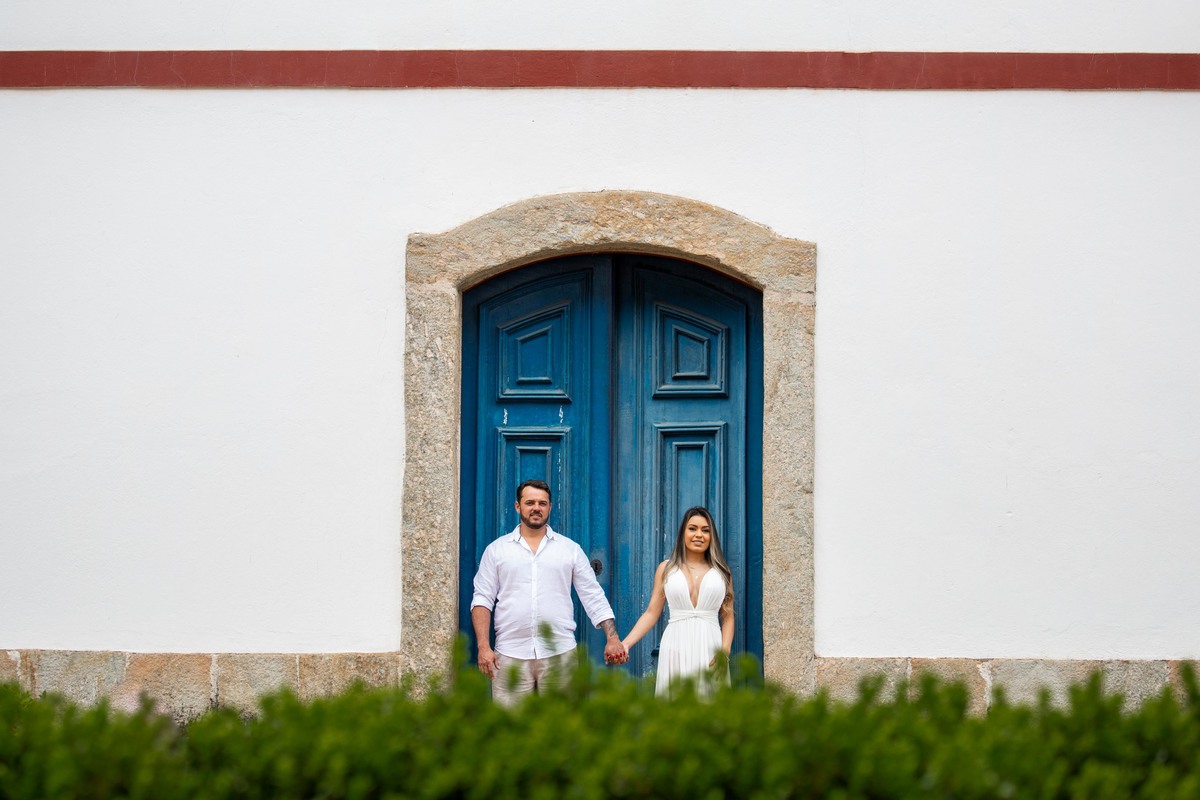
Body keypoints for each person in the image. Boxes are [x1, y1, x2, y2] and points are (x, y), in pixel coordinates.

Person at [471, 479, 627, 705]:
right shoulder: (496, 550)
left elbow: (592, 595)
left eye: (542, 503)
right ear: (518, 506)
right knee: (509, 724)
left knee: (560, 723)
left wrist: (613, 638)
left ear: (550, 507)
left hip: (559, 654)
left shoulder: (569, 550)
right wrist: (483, 647)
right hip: (509, 654)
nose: (536, 508)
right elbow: (482, 600)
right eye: (530, 502)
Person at [621, 506, 735, 697]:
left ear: (711, 536)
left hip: (710, 647)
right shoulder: (666, 569)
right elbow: (651, 613)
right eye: (692, 528)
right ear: (683, 532)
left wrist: (724, 653)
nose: (699, 535)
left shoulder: (722, 572)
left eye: (705, 530)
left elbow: (728, 616)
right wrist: (625, 644)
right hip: (676, 646)